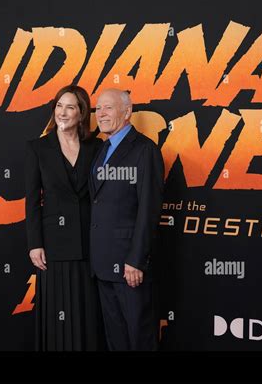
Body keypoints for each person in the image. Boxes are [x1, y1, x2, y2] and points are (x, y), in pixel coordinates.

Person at [25, 85, 103, 351]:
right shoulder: (38, 148)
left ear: (81, 113)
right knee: (58, 315)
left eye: (70, 107)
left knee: (87, 312)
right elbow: (32, 201)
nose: (63, 112)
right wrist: (35, 243)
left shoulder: (97, 147)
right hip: (54, 247)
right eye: (59, 106)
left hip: (89, 245)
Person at [89, 88, 164, 351]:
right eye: (98, 109)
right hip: (102, 265)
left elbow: (149, 210)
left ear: (127, 111)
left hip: (129, 266)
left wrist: (136, 259)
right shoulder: (101, 149)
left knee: (139, 338)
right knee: (116, 340)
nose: (101, 114)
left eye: (108, 107)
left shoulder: (145, 150)